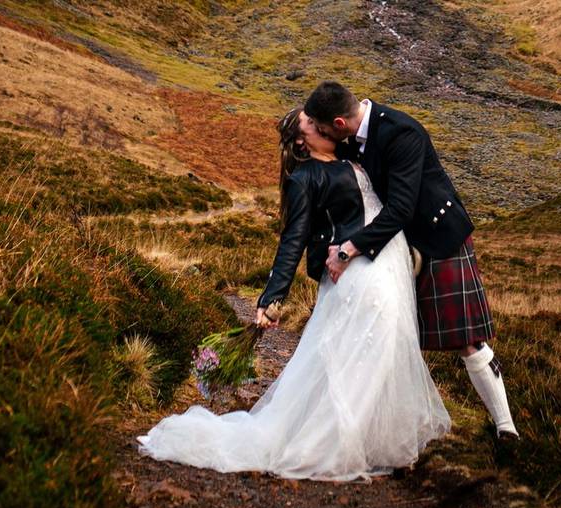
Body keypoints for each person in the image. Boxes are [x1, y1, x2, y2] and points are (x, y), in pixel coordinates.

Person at [137, 108, 450, 481]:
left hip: (384, 263)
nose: (318, 122)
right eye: (309, 121)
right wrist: (272, 298)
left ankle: (372, 439)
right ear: (302, 139)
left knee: (382, 347)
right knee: (362, 350)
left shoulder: (351, 154)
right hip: (353, 273)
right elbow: (293, 240)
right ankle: (333, 442)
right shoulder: (304, 177)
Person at [303, 81, 519, 440]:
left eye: (324, 129)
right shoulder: (350, 138)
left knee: (466, 340)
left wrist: (347, 250)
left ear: (339, 123)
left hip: (437, 240)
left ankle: (506, 428)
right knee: (387, 336)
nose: (324, 135)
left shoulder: (402, 133)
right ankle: (383, 429)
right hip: (393, 248)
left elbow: (401, 209)